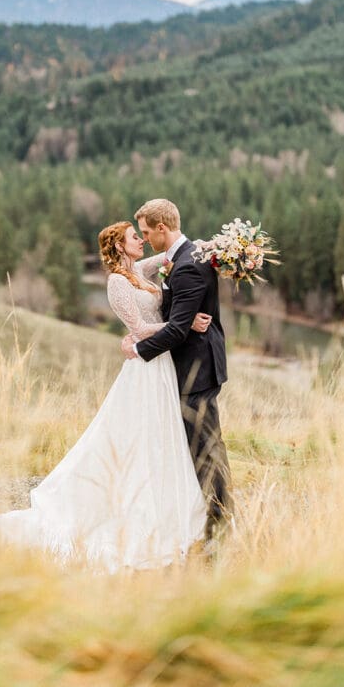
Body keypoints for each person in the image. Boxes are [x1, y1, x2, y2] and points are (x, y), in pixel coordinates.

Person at [0, 220, 211, 572]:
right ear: (120, 246)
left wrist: (221, 250)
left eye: (143, 234)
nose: (142, 240)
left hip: (162, 366)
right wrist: (182, 323)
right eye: (136, 237)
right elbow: (136, 329)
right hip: (145, 366)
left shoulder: (142, 271)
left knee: (160, 435)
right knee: (135, 435)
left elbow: (173, 253)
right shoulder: (117, 282)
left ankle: (167, 502)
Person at [122, 198, 233, 541]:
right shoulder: (185, 256)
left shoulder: (187, 265)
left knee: (206, 450)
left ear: (162, 228)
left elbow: (177, 329)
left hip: (196, 369)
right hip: (191, 365)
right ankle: (208, 521)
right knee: (203, 446)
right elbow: (179, 318)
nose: (145, 240)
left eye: (146, 233)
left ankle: (220, 528)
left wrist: (137, 350)